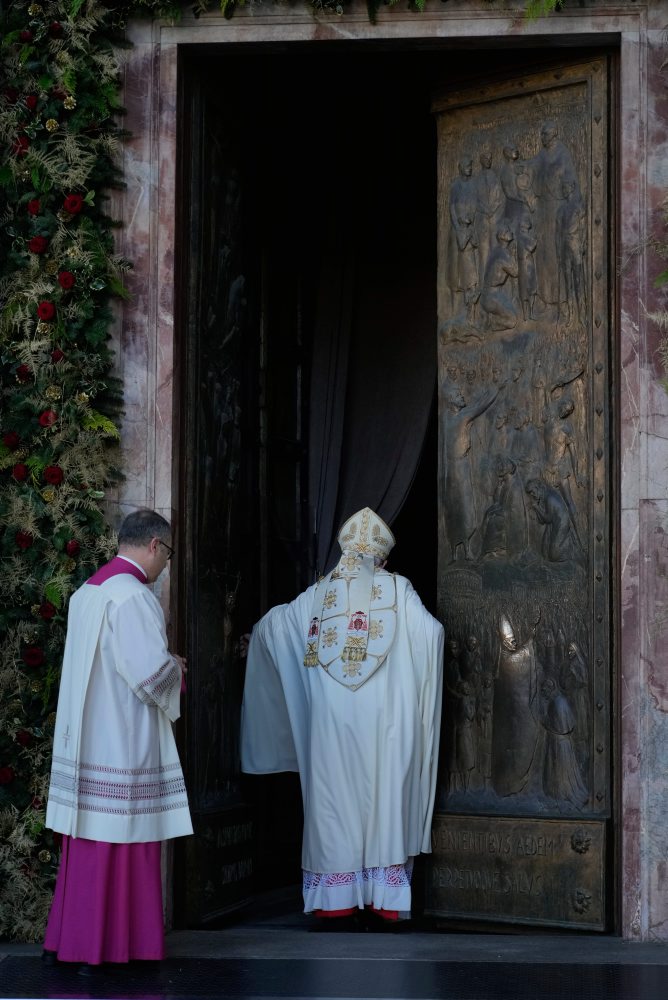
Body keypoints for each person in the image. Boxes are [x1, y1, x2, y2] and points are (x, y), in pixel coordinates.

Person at [240, 507, 443, 924]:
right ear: (381, 560)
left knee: (332, 802)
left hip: (329, 726)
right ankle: (386, 900)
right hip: (387, 723)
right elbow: (432, 633)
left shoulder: (313, 597)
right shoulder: (399, 589)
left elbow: (272, 630)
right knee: (385, 799)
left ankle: (337, 901)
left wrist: (250, 640)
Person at [43, 509, 193, 971]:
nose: (165, 564)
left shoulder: (89, 592)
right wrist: (178, 670)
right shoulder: (134, 598)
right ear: (153, 545)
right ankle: (118, 947)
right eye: (166, 554)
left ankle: (70, 942)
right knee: (125, 836)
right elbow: (149, 676)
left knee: (90, 839)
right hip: (124, 744)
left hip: (88, 742)